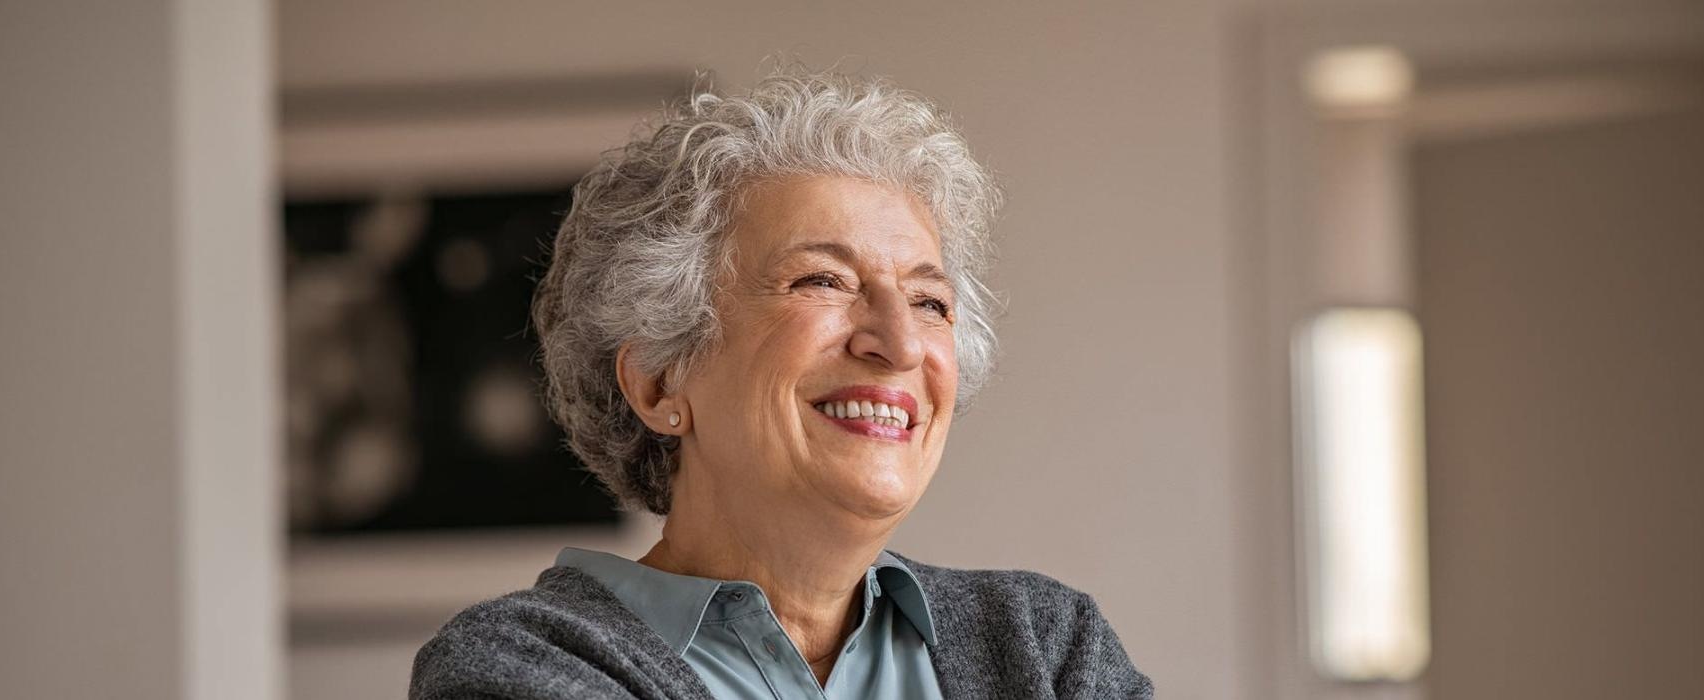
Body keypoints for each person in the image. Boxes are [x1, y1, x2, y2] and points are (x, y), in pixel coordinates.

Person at [410, 68, 1153, 700]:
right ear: (660, 379)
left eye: (930, 302)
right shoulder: (518, 667)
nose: (897, 344)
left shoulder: (1044, 648)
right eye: (822, 280)